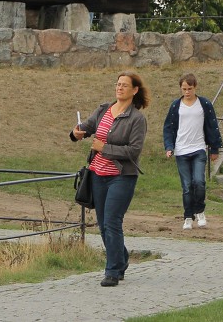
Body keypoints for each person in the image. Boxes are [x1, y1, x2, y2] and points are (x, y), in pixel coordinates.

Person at [70, 71, 149, 287]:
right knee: (104, 224)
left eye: (124, 85)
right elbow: (86, 127)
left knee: (113, 221)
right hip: (97, 175)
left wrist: (105, 148)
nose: (119, 88)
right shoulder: (104, 109)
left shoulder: (137, 119)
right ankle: (121, 259)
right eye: (118, 84)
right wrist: (77, 132)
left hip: (121, 177)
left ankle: (112, 272)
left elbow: (134, 151)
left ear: (134, 90)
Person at [163, 73, 223, 230]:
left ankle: (200, 211)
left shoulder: (204, 104)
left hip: (198, 149)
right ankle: (188, 216)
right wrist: (169, 147)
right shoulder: (176, 106)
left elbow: (212, 125)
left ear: (195, 87)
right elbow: (168, 128)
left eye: (189, 88)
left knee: (199, 182)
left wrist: (214, 148)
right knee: (187, 186)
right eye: (184, 89)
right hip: (181, 150)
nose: (187, 92)